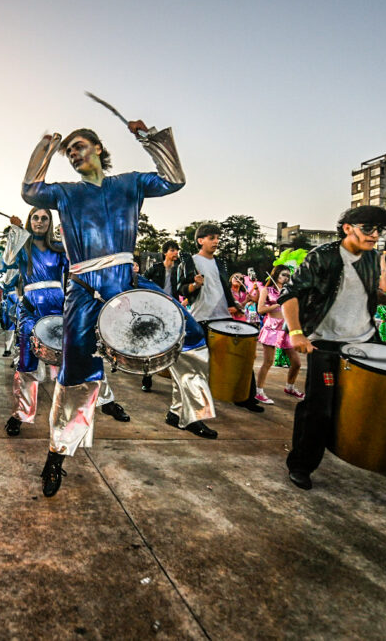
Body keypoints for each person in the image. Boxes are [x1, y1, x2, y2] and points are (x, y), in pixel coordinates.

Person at [22, 120, 217, 497]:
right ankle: (57, 453)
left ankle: (184, 412)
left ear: (98, 148)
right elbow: (30, 191)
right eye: (69, 152)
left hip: (127, 282)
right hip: (83, 289)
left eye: (79, 146)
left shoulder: (129, 184)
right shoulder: (66, 192)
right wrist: (46, 148)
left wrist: (148, 139)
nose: (74, 154)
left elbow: (173, 180)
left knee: (190, 337)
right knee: (76, 374)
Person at [279, 205, 386, 490]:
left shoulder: (371, 258)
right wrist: (296, 332)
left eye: (379, 230)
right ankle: (302, 464)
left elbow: (368, 293)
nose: (375, 235)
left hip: (366, 339)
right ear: (347, 228)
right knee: (319, 408)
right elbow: (290, 294)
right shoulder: (322, 256)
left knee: (381, 402)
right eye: (368, 228)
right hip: (326, 343)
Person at [0, 207, 130, 437]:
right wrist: (16, 232)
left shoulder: (59, 248)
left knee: (83, 353)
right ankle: (21, 414)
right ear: (30, 220)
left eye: (45, 218)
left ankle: (106, 400)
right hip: (30, 309)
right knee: (27, 363)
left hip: (60, 306)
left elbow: (80, 267)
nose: (40, 222)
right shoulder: (22, 246)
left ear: (50, 223)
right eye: (35, 218)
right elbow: (5, 264)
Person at [179, 223, 265, 412]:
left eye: (218, 238)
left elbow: (224, 288)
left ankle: (245, 397)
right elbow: (182, 289)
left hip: (223, 316)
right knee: (200, 363)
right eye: (212, 238)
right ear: (200, 240)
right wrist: (195, 285)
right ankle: (197, 403)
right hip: (201, 317)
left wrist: (235, 305)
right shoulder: (190, 262)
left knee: (240, 357)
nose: (216, 241)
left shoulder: (220, 263)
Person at [254, 265, 304, 405]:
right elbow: (260, 309)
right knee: (268, 362)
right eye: (283, 275)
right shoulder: (267, 290)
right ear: (276, 275)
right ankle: (259, 392)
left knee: (296, 363)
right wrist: (277, 304)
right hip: (271, 328)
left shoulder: (289, 291)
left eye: (288, 275)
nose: (286, 278)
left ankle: (290, 387)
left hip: (286, 328)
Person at [140, 239, 182, 391]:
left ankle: (174, 378)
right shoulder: (156, 268)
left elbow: (185, 287)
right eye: (172, 250)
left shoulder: (179, 269)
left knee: (172, 342)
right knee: (151, 342)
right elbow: (142, 281)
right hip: (156, 308)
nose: (175, 253)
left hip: (173, 309)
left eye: (177, 250)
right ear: (165, 253)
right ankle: (147, 378)